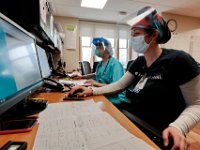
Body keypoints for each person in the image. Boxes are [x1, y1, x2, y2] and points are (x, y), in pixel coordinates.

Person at [69, 6, 200, 150]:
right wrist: (91, 91)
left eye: (136, 34)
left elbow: (197, 104)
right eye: (131, 34)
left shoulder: (179, 60)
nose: (132, 39)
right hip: (130, 120)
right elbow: (119, 85)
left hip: (157, 132)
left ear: (153, 35)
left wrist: (178, 127)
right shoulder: (139, 63)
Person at [76, 37, 128, 107]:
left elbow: (116, 87)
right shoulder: (100, 64)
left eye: (100, 47)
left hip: (115, 97)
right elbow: (96, 74)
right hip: (102, 92)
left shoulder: (116, 64)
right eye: (97, 47)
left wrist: (96, 84)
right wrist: (82, 77)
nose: (97, 50)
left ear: (107, 49)